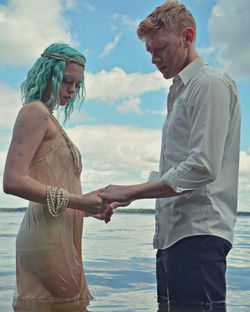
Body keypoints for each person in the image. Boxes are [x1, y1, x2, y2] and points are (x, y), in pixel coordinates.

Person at [99, 0, 241, 309]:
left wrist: (133, 192)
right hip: (173, 237)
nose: (154, 59)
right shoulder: (179, 92)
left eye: (160, 48)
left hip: (199, 236)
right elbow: (178, 168)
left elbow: (202, 166)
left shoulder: (209, 84)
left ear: (188, 37)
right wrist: (124, 194)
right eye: (150, 52)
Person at [3, 43, 111, 309]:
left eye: (77, 84)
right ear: (48, 73)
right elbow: (12, 181)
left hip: (60, 232)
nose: (72, 90)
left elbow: (54, 184)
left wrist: (87, 209)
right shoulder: (35, 112)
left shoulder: (49, 119)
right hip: (46, 237)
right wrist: (79, 202)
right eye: (66, 81)